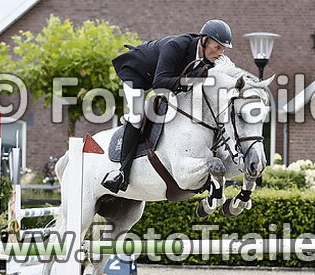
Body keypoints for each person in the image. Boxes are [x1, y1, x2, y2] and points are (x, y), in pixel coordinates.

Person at [102, 19, 251, 194]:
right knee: (137, 116)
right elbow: (159, 83)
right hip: (137, 74)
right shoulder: (176, 46)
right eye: (217, 47)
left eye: (223, 49)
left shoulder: (209, 60)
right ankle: (121, 173)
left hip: (164, 79)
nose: (220, 53)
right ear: (204, 41)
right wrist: (193, 79)